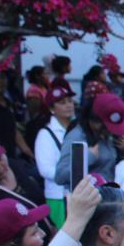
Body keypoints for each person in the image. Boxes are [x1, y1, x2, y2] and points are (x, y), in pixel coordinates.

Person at [55, 92, 124, 188]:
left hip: (109, 196)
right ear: (93, 120)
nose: (109, 131)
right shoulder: (77, 137)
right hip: (86, 199)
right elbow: (59, 176)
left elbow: (110, 167)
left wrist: (122, 151)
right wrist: (86, 158)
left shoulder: (107, 136)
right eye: (107, 127)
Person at [34, 86, 77, 227]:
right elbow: (45, 169)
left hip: (78, 194)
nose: (68, 105)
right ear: (52, 108)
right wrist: (73, 175)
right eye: (62, 102)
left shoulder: (79, 129)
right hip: (58, 197)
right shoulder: (45, 134)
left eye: (70, 101)